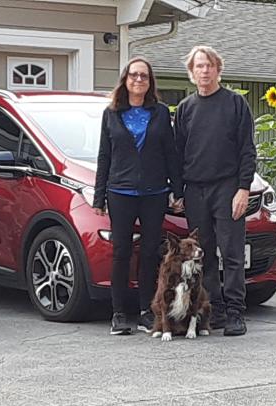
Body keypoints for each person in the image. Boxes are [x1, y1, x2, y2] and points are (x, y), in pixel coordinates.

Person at [93, 57, 184, 335]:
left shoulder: (159, 112)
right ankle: (119, 313)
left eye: (144, 76)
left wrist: (177, 191)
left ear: (150, 82)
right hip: (120, 192)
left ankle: (147, 310)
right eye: (134, 75)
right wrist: (99, 197)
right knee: (121, 252)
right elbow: (104, 156)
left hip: (154, 193)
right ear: (125, 79)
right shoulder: (112, 114)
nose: (139, 80)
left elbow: (171, 154)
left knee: (148, 253)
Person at [174, 46, 256, 336]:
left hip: (227, 188)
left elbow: (247, 150)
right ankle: (215, 310)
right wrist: (178, 190)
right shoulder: (185, 109)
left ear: (218, 69)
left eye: (209, 65)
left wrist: (243, 188)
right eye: (198, 66)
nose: (204, 71)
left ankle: (235, 313)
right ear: (191, 72)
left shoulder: (235, 104)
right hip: (195, 190)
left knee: (232, 253)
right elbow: (177, 153)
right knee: (202, 255)